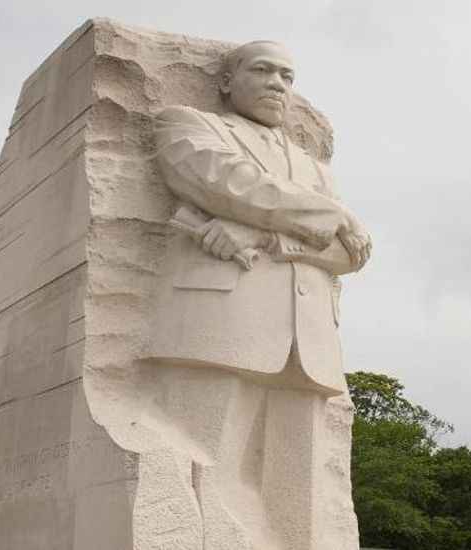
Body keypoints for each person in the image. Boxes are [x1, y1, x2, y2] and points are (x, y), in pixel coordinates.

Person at [147, 40, 369, 549]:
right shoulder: (188, 124)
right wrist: (333, 217)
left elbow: (352, 254)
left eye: (287, 77)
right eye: (263, 70)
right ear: (227, 80)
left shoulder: (315, 171)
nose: (277, 84)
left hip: (308, 341)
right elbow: (228, 183)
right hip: (221, 323)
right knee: (196, 472)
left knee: (302, 505)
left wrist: (265, 235)